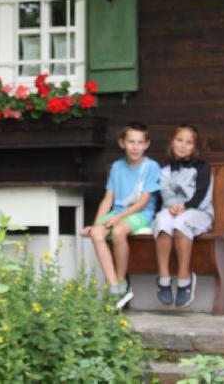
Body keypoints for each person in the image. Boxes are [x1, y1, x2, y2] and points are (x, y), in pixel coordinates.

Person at [80, 121, 161, 309]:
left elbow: (143, 202)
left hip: (141, 214)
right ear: (122, 143)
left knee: (118, 232)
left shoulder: (151, 167)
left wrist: (118, 218)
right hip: (117, 213)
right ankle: (114, 286)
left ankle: (121, 279)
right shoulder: (117, 167)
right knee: (96, 233)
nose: (136, 147)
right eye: (131, 142)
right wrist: (96, 224)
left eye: (140, 143)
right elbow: (108, 198)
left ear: (147, 145)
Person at [153, 124, 214, 309]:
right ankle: (163, 278)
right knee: (163, 222)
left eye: (188, 142)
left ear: (194, 147)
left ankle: (184, 278)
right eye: (180, 140)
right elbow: (164, 196)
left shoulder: (202, 168)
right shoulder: (165, 171)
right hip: (172, 210)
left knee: (180, 224)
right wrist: (171, 207)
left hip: (198, 212)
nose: (183, 145)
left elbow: (202, 194)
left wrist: (186, 206)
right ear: (172, 142)